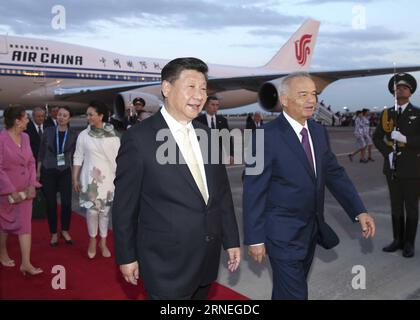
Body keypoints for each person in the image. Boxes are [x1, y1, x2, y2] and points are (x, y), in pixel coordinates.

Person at [112, 57, 240, 300]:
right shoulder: (138, 139)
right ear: (167, 89)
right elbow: (124, 207)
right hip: (166, 265)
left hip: (206, 260)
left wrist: (231, 240)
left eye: (203, 88)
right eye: (191, 87)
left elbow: (221, 193)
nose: (199, 95)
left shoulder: (208, 135)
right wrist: (126, 255)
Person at [243, 72, 375, 300]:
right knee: (295, 295)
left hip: (310, 231)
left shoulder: (317, 131)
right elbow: (253, 190)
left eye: (313, 94)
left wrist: (358, 210)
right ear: (284, 100)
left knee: (286, 293)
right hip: (282, 235)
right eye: (302, 95)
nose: (311, 100)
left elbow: (334, 174)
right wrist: (254, 238)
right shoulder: (265, 137)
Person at [373, 73, 420, 258]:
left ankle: (409, 243)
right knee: (396, 206)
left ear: (410, 92)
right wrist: (388, 152)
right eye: (397, 87)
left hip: (413, 168)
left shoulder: (417, 113)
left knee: (411, 206)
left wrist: (405, 139)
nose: (400, 89)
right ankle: (397, 240)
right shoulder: (387, 114)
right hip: (392, 168)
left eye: (404, 87)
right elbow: (377, 137)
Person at [72, 101, 120, 259]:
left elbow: (118, 160)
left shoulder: (113, 136)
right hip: (89, 179)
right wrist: (75, 177)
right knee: (92, 212)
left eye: (91, 114)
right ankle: (93, 240)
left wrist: (119, 180)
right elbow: (78, 156)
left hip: (108, 180)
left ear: (101, 116)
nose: (88, 117)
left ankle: (103, 242)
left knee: (105, 212)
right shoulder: (83, 135)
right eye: (87, 114)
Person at [0, 106, 43, 275]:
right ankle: (2, 253)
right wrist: (10, 190)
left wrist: (32, 184)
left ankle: (26, 263)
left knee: (25, 225)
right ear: (17, 121)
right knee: (4, 225)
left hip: (26, 190)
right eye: (25, 117)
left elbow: (31, 162)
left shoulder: (25, 137)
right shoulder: (2, 139)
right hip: (6, 192)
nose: (28, 120)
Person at [37, 107, 78, 247]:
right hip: (48, 171)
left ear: (69, 118)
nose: (61, 117)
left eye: (65, 115)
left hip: (65, 171)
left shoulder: (73, 134)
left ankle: (65, 230)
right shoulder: (48, 132)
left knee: (67, 203)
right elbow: (41, 153)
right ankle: (54, 232)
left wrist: (74, 177)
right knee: (51, 204)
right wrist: (38, 171)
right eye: (59, 114)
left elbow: (74, 158)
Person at [195, 96, 234, 164]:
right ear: (206, 106)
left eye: (217, 105)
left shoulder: (222, 120)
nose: (215, 107)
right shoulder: (198, 121)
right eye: (212, 105)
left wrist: (230, 154)